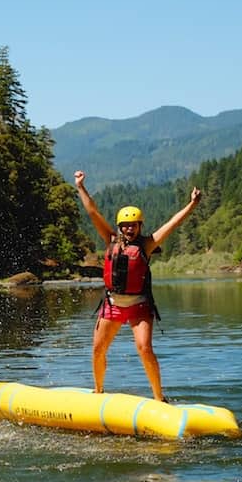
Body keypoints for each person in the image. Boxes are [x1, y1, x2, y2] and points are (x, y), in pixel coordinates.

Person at [74, 170, 203, 400]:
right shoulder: (110, 239)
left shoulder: (147, 245)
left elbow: (172, 224)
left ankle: (158, 397)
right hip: (112, 305)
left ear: (140, 226)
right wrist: (80, 187)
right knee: (97, 348)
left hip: (139, 307)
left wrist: (192, 205)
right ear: (120, 226)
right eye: (125, 225)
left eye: (133, 225)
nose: (129, 229)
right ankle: (98, 390)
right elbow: (92, 211)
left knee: (144, 349)